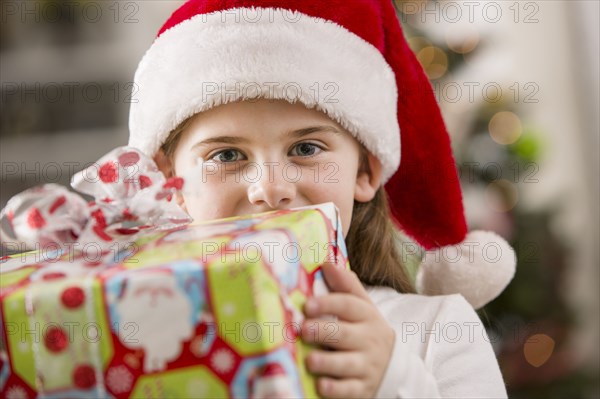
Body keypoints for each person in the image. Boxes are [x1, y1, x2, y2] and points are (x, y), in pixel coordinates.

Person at [127, 0, 516, 397]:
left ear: (365, 171)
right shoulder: (152, 335)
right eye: (226, 155)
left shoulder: (437, 329)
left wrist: (393, 381)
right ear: (169, 181)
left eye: (306, 148)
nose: (270, 187)